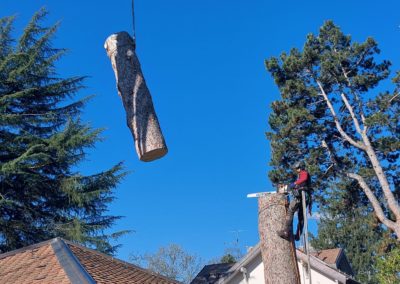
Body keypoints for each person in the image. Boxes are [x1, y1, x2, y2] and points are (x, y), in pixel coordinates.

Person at [278, 161, 312, 241]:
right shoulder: (301, 174)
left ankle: (286, 231)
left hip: (302, 196)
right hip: (305, 196)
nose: (297, 170)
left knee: (290, 210)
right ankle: (297, 235)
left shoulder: (304, 173)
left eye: (298, 168)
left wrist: (293, 185)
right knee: (301, 217)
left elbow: (304, 179)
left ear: (301, 167)